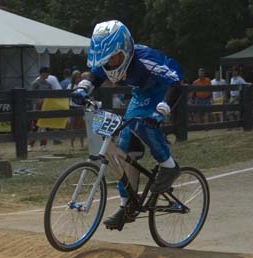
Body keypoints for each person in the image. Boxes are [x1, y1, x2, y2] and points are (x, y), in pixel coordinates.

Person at [72, 20, 182, 231]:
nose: (110, 63)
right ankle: (127, 205)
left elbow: (175, 83)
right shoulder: (107, 62)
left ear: (126, 49)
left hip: (162, 89)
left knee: (143, 125)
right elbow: (95, 76)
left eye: (114, 57)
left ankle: (169, 166)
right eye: (106, 58)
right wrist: (82, 89)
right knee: (124, 146)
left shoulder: (146, 59)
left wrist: (162, 110)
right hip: (140, 94)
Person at [29, 66, 63, 151]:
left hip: (46, 107)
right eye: (47, 73)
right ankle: (30, 144)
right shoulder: (35, 83)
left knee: (44, 127)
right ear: (42, 73)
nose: (48, 74)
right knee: (35, 127)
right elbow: (32, 96)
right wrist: (38, 101)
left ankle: (43, 145)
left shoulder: (49, 85)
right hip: (37, 107)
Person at [67, 70, 85, 149]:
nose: (78, 79)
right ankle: (72, 144)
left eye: (79, 77)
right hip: (72, 107)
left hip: (80, 107)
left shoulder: (82, 86)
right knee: (73, 126)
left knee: (81, 126)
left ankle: (82, 144)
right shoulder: (70, 86)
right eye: (77, 78)